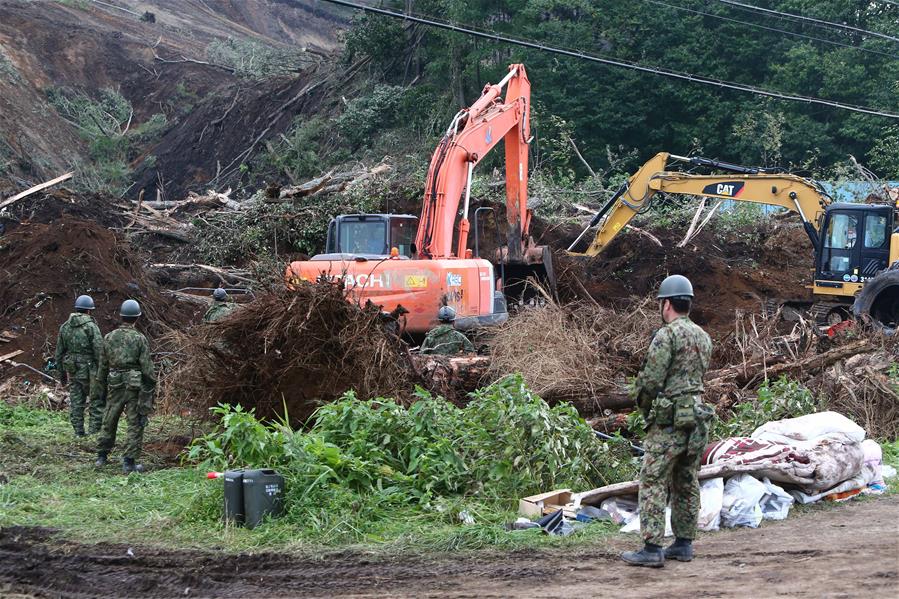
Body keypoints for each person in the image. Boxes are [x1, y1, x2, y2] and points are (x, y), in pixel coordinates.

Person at [621, 274, 713, 568]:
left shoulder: (666, 335)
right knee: (686, 479)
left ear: (667, 304)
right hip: (697, 418)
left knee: (653, 479)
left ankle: (652, 548)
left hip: (669, 420)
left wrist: (645, 409)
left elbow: (650, 381)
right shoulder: (703, 336)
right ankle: (684, 544)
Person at [95, 300, 156, 474]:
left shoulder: (109, 337)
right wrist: (150, 386)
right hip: (134, 386)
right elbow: (147, 368)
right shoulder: (139, 338)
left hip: (114, 382)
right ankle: (129, 463)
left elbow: (103, 365)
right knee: (135, 422)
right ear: (137, 317)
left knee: (109, 417)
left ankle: (101, 456)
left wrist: (100, 387)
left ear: (121, 316)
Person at [54, 295, 104, 436]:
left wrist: (62, 374)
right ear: (89, 310)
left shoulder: (65, 327)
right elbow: (99, 351)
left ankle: (78, 432)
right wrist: (103, 372)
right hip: (90, 370)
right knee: (96, 400)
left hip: (73, 370)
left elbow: (59, 353)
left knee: (76, 401)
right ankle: (94, 432)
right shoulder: (91, 327)